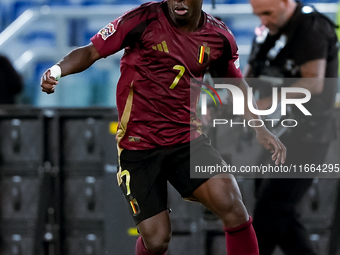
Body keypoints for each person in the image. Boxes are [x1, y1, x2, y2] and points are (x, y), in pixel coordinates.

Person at [40, 0, 286, 254]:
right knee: (157, 240)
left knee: (234, 207)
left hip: (186, 140)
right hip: (139, 146)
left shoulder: (218, 37)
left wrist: (259, 127)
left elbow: (236, 84)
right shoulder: (141, 20)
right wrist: (57, 71)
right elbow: (91, 51)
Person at [244, 0, 338, 254]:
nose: (263, 20)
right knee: (278, 210)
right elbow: (253, 72)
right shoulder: (272, 31)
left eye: (267, 13)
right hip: (281, 132)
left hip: (309, 135)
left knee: (271, 208)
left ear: (286, 2)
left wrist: (265, 102)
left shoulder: (311, 27)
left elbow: (313, 84)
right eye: (257, 14)